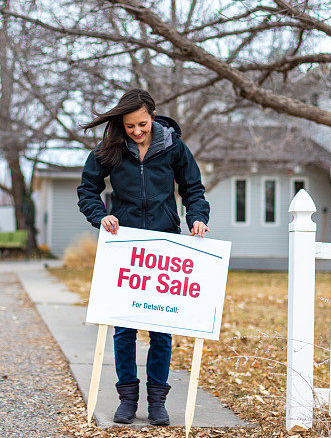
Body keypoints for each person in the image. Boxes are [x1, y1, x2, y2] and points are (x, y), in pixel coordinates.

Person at [77, 88, 210, 426]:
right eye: (129, 126)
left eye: (142, 124)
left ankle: (157, 401)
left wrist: (197, 217)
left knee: (161, 329)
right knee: (124, 329)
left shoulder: (173, 147)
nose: (136, 131)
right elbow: (87, 189)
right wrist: (100, 215)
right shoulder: (111, 150)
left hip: (165, 246)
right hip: (125, 248)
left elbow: (193, 188)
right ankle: (126, 398)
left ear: (153, 115)